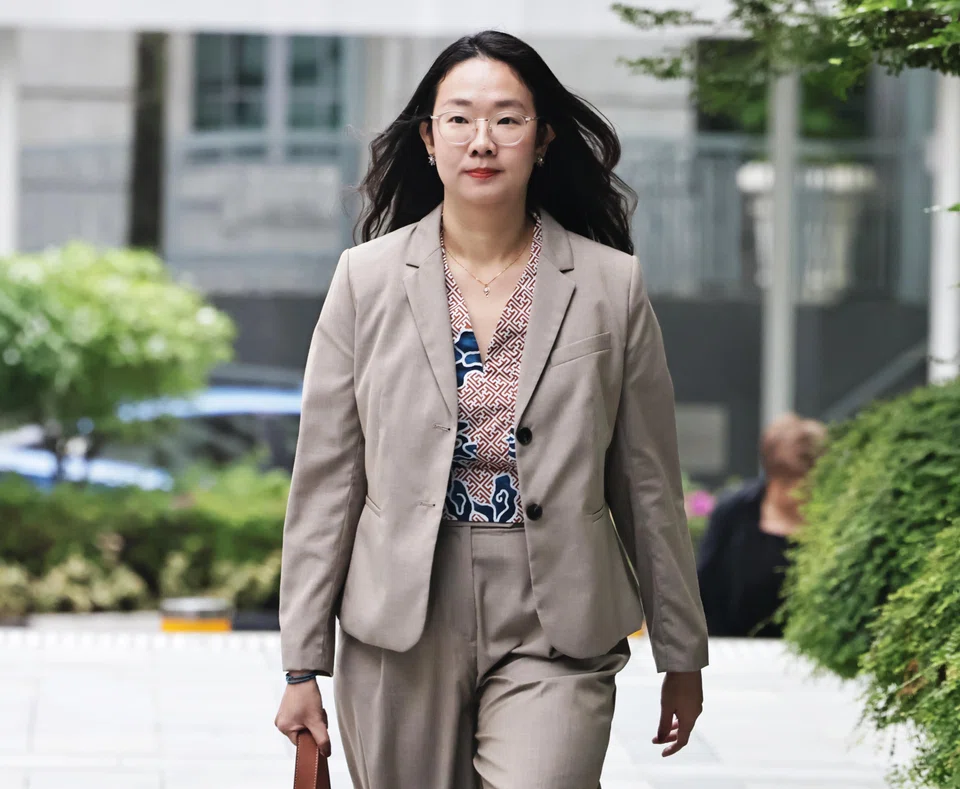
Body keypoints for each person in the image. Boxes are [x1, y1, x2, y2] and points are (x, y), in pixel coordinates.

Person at [274, 30, 708, 789]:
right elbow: (328, 478)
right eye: (460, 119)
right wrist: (302, 660)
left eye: (508, 119)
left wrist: (682, 650)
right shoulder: (365, 280)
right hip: (401, 612)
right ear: (428, 138)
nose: (483, 140)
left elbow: (647, 482)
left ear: (541, 139)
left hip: (558, 611)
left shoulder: (612, 284)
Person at [696, 413, 828, 638]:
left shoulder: (832, 518)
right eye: (788, 483)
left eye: (809, 485)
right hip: (733, 648)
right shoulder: (734, 511)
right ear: (772, 475)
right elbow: (703, 584)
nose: (799, 495)